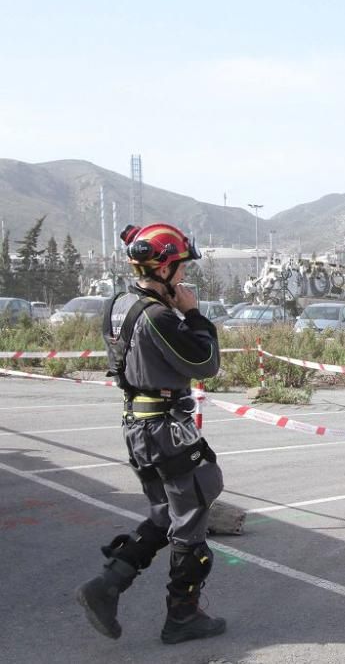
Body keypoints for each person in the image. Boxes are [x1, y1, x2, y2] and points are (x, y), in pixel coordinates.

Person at [76, 223, 226, 644]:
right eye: (179, 266)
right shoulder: (156, 315)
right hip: (162, 427)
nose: (182, 276)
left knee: (166, 512)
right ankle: (183, 616)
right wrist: (193, 313)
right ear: (163, 268)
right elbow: (205, 363)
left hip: (139, 425)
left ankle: (107, 585)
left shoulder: (119, 304)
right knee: (195, 506)